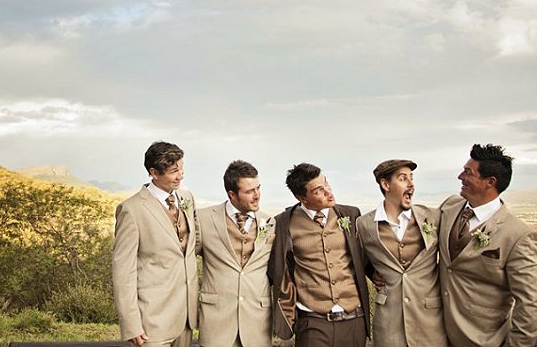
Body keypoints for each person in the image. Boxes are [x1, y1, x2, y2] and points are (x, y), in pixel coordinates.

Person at [439, 144, 537, 346]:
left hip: (484, 340)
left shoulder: (519, 235)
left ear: (490, 182)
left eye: (468, 172)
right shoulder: (449, 206)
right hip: (435, 335)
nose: (460, 176)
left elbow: (531, 303)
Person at [267, 163, 370, 347]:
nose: (329, 192)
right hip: (312, 322)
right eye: (319, 191)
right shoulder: (283, 224)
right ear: (302, 198)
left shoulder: (351, 214)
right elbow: (277, 268)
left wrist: (376, 274)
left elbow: (364, 254)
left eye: (326, 184)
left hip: (354, 319)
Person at [112, 141, 199, 346]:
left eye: (181, 168)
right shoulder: (131, 210)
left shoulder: (187, 198)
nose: (180, 175)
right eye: (173, 171)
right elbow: (123, 271)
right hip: (152, 319)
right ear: (154, 173)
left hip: (186, 317)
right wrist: (131, 323)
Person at [356, 159, 446, 346]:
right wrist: (373, 274)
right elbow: (359, 260)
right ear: (385, 184)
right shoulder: (364, 225)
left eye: (412, 178)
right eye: (403, 178)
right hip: (389, 323)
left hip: (430, 321)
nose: (411, 184)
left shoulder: (432, 217)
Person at [195, 160, 276, 347]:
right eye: (249, 191)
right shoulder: (203, 219)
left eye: (258, 188)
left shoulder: (270, 222)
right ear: (232, 194)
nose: (257, 195)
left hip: (257, 322)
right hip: (217, 321)